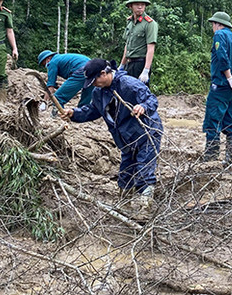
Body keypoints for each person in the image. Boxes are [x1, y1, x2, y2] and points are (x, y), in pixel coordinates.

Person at [60, 58, 163, 213]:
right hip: (125, 138)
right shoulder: (98, 92)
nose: (94, 84)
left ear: (104, 73)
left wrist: (142, 106)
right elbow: (93, 110)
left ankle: (144, 209)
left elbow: (151, 99)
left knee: (144, 171)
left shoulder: (129, 84)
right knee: (125, 173)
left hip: (146, 133)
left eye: (95, 80)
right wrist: (74, 113)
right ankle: (124, 205)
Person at [202, 11, 232, 165]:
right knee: (230, 122)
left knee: (213, 121)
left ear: (217, 24)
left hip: (221, 85)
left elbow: (222, 57)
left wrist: (228, 78)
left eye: (213, 24)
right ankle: (231, 159)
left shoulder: (219, 35)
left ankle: (210, 159)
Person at [119, 0, 157, 85]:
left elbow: (151, 48)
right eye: (137, 4)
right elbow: (127, 45)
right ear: (130, 6)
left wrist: (146, 70)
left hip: (140, 64)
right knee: (126, 93)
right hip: (129, 63)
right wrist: (122, 65)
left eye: (142, 5)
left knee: (140, 94)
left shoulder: (149, 23)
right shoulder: (130, 22)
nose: (140, 7)